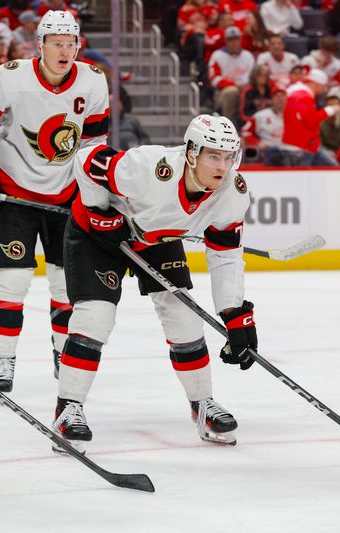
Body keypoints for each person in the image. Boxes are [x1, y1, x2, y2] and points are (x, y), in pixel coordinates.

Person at [50, 114, 254, 451]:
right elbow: (86, 161)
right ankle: (67, 409)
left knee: (184, 317)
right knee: (95, 317)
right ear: (191, 153)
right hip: (97, 237)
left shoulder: (232, 193)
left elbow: (226, 256)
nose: (223, 165)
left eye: (229, 156)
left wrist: (233, 313)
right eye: (213, 156)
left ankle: (202, 404)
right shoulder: (148, 168)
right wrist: (100, 213)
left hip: (155, 240)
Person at [0, 10, 109, 392]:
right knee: (12, 280)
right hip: (14, 194)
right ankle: (3, 357)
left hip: (65, 196)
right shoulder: (11, 76)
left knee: (65, 285)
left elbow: (95, 143)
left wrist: (94, 191)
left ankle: (63, 350)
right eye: (56, 43)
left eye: (70, 44)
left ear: (78, 46)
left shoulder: (94, 82)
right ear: (40, 45)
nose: (64, 51)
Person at [281, 69, 340, 166]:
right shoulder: (304, 97)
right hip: (300, 148)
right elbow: (310, 120)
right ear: (316, 85)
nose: (323, 90)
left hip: (303, 146)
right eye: (322, 86)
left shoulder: (298, 95)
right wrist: (330, 110)